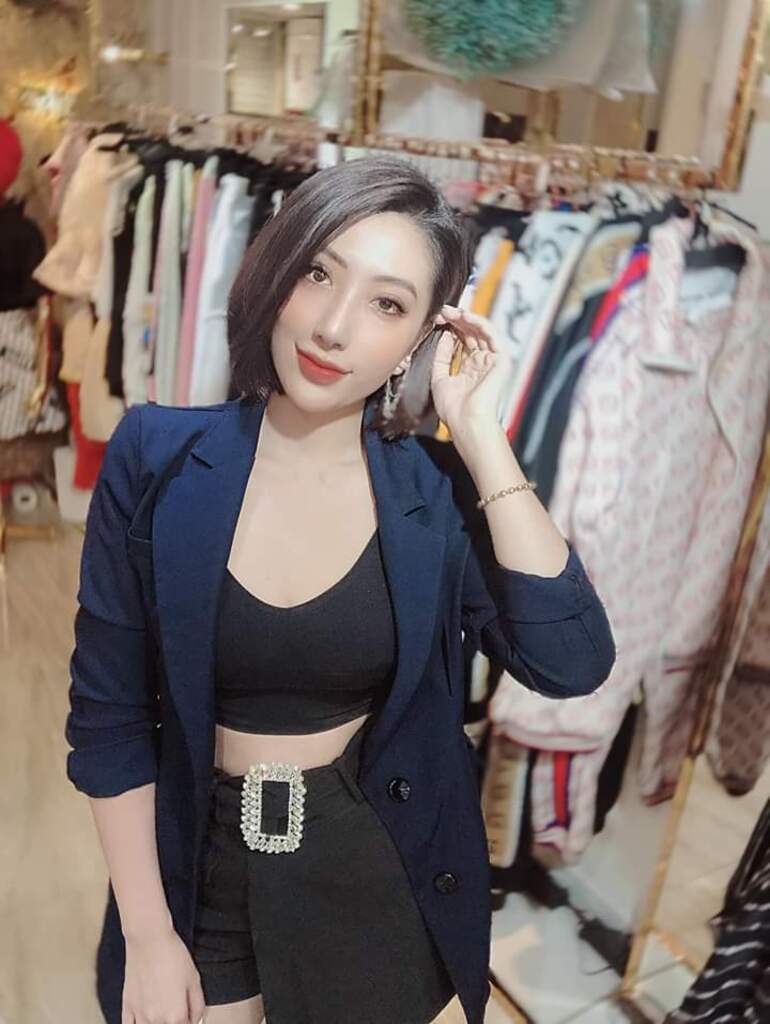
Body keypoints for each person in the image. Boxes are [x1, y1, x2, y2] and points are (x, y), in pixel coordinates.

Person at [64, 155, 616, 1024]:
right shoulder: (158, 455)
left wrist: (479, 435)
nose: (332, 327)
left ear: (423, 336)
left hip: (375, 859)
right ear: (278, 272)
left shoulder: (433, 493)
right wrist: (148, 933)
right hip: (198, 864)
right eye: (318, 274)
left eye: (387, 305)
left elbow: (570, 661)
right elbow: (110, 718)